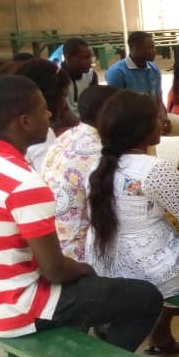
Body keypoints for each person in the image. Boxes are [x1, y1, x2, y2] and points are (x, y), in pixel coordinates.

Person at [0, 76, 163, 357]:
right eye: (42, 110)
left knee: (92, 297)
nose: (50, 114)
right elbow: (55, 271)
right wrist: (85, 270)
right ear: (24, 121)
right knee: (145, 298)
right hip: (15, 309)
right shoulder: (23, 184)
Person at [87, 90, 179, 355]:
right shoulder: (155, 169)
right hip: (150, 272)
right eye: (157, 118)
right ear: (142, 128)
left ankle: (159, 334)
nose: (162, 122)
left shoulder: (98, 166)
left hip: (103, 264)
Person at [40, 85, 120, 261]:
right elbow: (119, 209)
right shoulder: (99, 152)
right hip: (79, 250)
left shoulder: (68, 136)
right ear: (110, 115)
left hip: (53, 240)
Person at [105, 31, 179, 169]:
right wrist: (152, 122)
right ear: (135, 48)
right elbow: (118, 109)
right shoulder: (117, 72)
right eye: (150, 47)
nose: (154, 50)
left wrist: (163, 117)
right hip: (132, 122)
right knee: (149, 142)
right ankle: (151, 171)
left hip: (154, 116)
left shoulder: (153, 68)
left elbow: (158, 99)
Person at [11, 59, 78, 174]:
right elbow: (51, 178)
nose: (65, 103)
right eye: (64, 96)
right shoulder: (41, 133)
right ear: (51, 97)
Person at [59, 37, 98, 112]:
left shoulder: (91, 75)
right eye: (85, 57)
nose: (90, 61)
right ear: (67, 57)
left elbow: (94, 104)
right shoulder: (57, 78)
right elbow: (61, 112)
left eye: (90, 57)